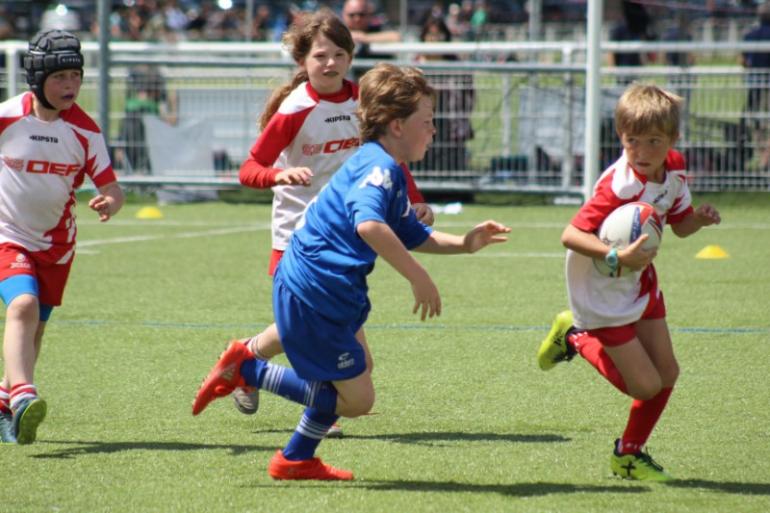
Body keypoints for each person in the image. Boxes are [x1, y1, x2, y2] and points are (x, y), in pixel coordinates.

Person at [192, 63, 510, 480]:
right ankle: (249, 370)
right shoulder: (378, 168)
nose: (433, 131)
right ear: (397, 126)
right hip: (314, 289)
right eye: (428, 122)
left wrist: (465, 244)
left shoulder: (384, 166)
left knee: (357, 378)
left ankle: (295, 458)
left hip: (329, 289)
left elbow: (410, 231)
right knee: (357, 400)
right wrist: (418, 277)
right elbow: (370, 226)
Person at [229, 9, 433, 437]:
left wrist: (414, 200)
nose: (330, 63)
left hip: (341, 236)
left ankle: (246, 361)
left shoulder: (363, 101)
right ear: (302, 60)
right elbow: (249, 169)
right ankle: (306, 401)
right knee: (314, 328)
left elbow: (390, 155)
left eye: (340, 53)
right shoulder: (295, 108)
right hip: (298, 234)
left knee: (306, 328)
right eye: (320, 55)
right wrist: (277, 175)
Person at [536, 83, 721, 481]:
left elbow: (679, 225)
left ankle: (628, 455)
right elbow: (570, 235)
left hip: (639, 280)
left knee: (667, 374)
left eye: (653, 141)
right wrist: (616, 255)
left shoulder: (674, 168)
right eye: (631, 140)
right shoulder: (618, 186)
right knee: (645, 386)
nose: (641, 151)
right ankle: (575, 336)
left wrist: (698, 220)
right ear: (621, 137)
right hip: (601, 288)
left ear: (671, 140)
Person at [0, 30, 124, 444]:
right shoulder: (7, 117)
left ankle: (4, 400)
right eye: (60, 77)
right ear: (36, 78)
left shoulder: (86, 131)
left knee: (34, 328)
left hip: (57, 246)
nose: (70, 85)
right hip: (7, 235)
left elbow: (113, 188)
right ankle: (23, 396)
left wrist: (109, 201)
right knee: (23, 305)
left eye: (76, 75)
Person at [414, 16, 475, 172]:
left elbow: (469, 95)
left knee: (450, 158)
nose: (435, 39)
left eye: (439, 35)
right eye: (431, 35)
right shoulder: (414, 66)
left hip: (449, 122)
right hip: (421, 120)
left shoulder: (456, 66)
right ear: (424, 37)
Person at [741, 2, 770, 169]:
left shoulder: (749, 34)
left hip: (755, 85)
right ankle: (766, 159)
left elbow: (744, 60)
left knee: (757, 122)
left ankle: (762, 158)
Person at [341, 0, 400, 81]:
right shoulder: (337, 31)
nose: (357, 18)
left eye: (361, 14)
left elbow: (395, 37)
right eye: (352, 15)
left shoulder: (377, 29)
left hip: (377, 83)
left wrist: (364, 38)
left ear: (370, 15)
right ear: (343, 15)